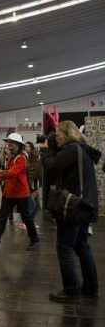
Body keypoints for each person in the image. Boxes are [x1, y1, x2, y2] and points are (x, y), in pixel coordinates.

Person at [41, 121, 100, 301]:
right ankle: (91, 287)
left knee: (65, 247)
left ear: (67, 134)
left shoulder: (73, 149)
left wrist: (45, 151)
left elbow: (51, 166)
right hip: (85, 206)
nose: (56, 137)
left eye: (58, 133)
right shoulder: (83, 149)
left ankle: (71, 289)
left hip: (73, 207)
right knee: (81, 245)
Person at [0, 133, 39, 253]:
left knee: (27, 218)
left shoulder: (21, 158)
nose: (8, 144)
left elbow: (13, 173)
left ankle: (35, 239)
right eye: (8, 142)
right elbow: (10, 173)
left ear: (17, 144)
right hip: (10, 192)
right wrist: (0, 174)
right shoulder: (13, 156)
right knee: (2, 218)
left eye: (11, 142)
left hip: (20, 193)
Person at [18, 142, 42, 230]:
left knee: (35, 206)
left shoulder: (30, 163)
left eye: (29, 147)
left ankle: (28, 222)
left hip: (31, 188)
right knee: (33, 206)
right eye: (26, 146)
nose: (27, 148)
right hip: (30, 189)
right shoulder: (29, 163)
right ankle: (26, 222)